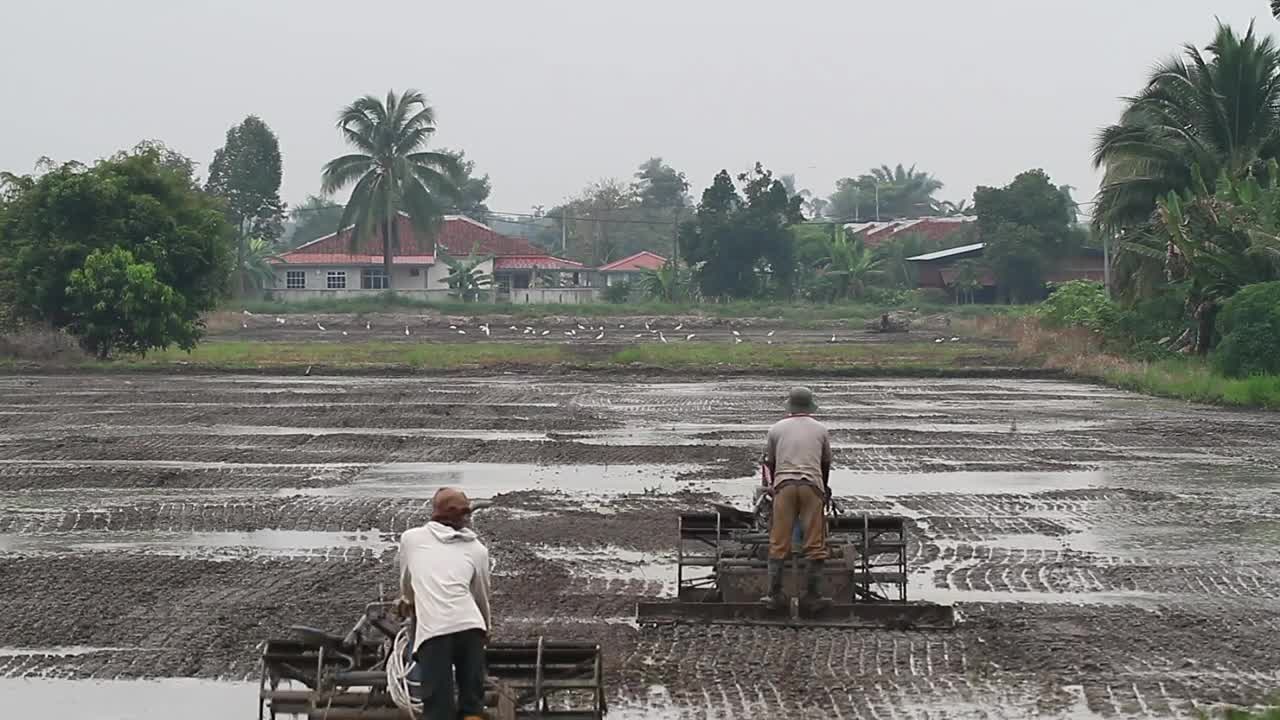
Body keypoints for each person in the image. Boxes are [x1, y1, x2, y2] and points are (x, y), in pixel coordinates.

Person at [398, 487, 493, 720]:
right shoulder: (477, 550)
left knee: (438, 707)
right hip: (471, 629)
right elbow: (481, 596)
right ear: (464, 518)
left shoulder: (411, 539)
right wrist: (486, 630)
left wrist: (407, 601)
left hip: (434, 633)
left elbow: (406, 581)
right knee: (472, 704)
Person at [760, 386, 833, 613]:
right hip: (812, 487)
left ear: (789, 405)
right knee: (814, 543)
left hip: (784, 487)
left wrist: (769, 489)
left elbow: (769, 463)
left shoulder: (776, 428)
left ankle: (774, 596)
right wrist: (824, 488)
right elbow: (825, 463)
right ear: (810, 406)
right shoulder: (821, 429)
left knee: (779, 540)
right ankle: (813, 597)